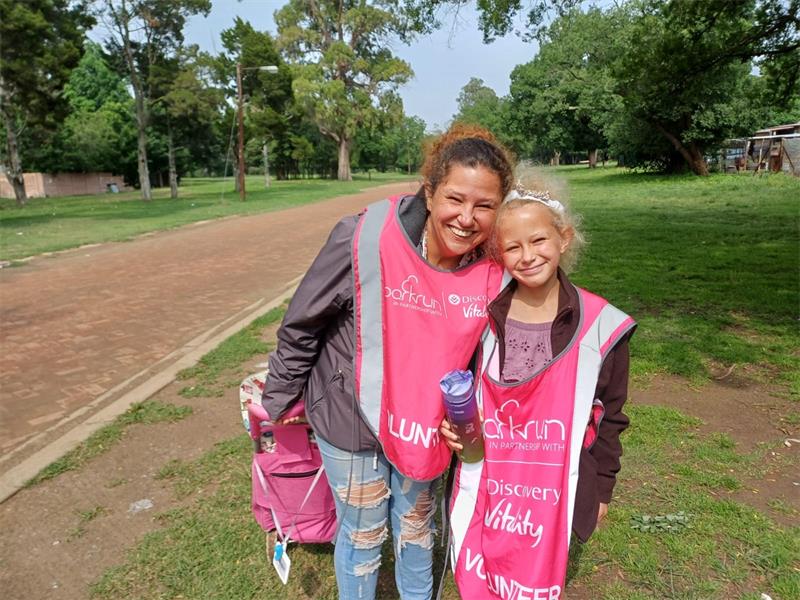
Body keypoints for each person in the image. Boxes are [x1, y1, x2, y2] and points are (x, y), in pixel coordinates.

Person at [262, 124, 515, 600]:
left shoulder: (496, 266)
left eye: (484, 206)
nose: (466, 218)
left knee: (417, 534)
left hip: (426, 429)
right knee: (362, 536)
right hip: (350, 420)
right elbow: (302, 322)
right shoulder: (364, 237)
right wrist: (281, 398)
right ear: (430, 190)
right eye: (455, 199)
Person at [441, 183, 636, 599]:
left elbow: (612, 416)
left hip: (550, 486)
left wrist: (601, 487)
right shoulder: (484, 317)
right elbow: (461, 384)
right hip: (490, 478)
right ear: (499, 254)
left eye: (539, 240)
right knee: (477, 575)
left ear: (563, 238)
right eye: (512, 248)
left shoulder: (601, 326)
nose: (528, 257)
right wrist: (454, 425)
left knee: (531, 578)